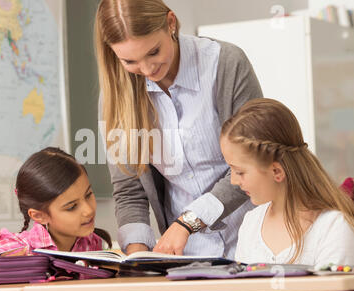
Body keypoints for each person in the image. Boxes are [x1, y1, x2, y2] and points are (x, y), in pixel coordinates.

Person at [94, 0, 262, 257]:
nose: (147, 70)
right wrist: (137, 255)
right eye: (130, 61)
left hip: (255, 239)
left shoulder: (225, 63)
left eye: (153, 52)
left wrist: (188, 222)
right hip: (185, 254)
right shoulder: (116, 96)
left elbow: (253, 161)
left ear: (170, 23)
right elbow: (129, 189)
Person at [220, 98, 354, 266]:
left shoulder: (333, 226)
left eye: (240, 172)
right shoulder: (251, 223)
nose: (233, 181)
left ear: (276, 171)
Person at [0, 147, 112, 274]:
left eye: (88, 194)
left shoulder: (90, 242)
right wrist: (3, 269)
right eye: (72, 207)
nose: (88, 210)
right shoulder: (22, 248)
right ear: (39, 216)